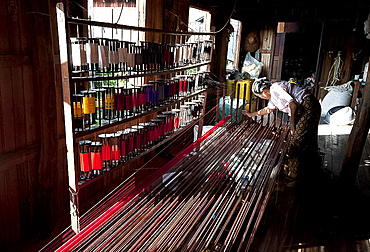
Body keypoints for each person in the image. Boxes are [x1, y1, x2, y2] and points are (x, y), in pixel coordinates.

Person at [242, 78, 321, 184]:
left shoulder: (275, 89)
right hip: (310, 106)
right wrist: (251, 114)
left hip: (308, 107)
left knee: (296, 142)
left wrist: (292, 125)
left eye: (259, 96)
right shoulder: (273, 97)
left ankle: (293, 176)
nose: (261, 98)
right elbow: (268, 110)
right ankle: (309, 166)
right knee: (307, 137)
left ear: (264, 92)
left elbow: (293, 105)